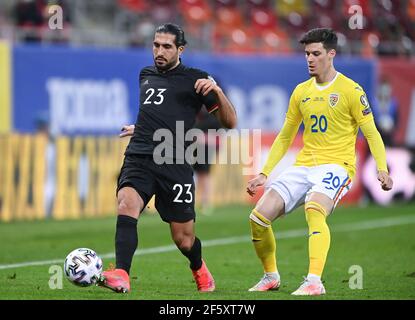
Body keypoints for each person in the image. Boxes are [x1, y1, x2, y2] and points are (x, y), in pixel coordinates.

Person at [246, 28, 393, 296]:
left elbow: (371, 132)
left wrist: (382, 168)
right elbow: (285, 135)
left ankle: (314, 281)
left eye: (316, 53)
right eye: (306, 54)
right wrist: (265, 173)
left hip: (337, 166)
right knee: (258, 218)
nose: (310, 59)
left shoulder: (350, 90)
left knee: (314, 210)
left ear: (331, 54)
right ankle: (271, 276)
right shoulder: (301, 91)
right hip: (304, 166)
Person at [98, 23, 237, 293]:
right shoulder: (145, 74)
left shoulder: (197, 80)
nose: (159, 51)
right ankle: (122, 274)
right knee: (126, 203)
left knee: (184, 240)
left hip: (174, 162)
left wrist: (218, 92)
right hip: (139, 155)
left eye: (166, 47)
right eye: (156, 45)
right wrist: (140, 129)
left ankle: (198, 266)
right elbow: (162, 113)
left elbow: (230, 123)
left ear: (180, 49)